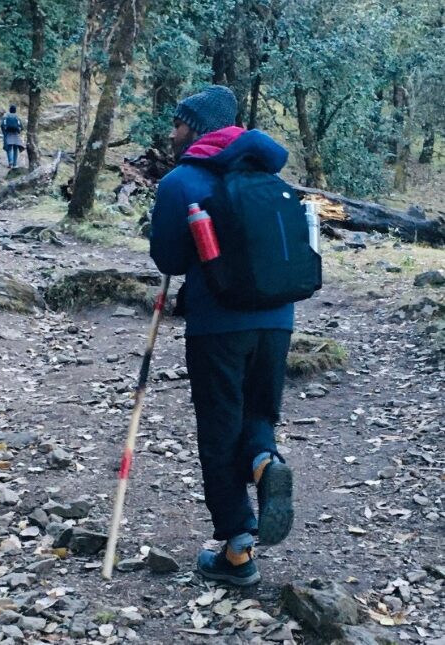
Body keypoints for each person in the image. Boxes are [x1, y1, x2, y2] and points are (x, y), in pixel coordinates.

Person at [149, 85, 294, 586]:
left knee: (218, 429)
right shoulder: (268, 174)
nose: (173, 132)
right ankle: (263, 461)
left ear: (199, 127)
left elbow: (168, 260)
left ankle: (237, 550)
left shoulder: (180, 181)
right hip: (278, 318)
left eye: (180, 122)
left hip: (216, 326)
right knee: (259, 415)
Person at [0, 104, 25, 169]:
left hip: (8, 134)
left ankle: (10, 162)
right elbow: (22, 127)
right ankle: (14, 164)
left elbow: (2, 125)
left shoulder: (6, 117)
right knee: (15, 149)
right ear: (15, 110)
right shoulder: (17, 117)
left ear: (10, 110)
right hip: (16, 134)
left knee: (9, 149)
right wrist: (19, 132)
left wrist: (4, 133)